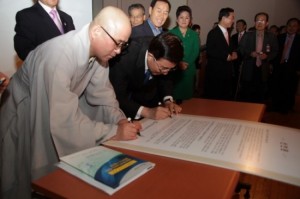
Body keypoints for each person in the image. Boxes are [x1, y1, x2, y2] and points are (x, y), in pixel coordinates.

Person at [0, 6, 139, 199]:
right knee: (25, 176)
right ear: (97, 31)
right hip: (25, 110)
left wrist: (120, 121)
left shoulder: (101, 54)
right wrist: (113, 132)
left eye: (123, 45)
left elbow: (103, 95)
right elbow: (63, 122)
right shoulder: (58, 56)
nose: (118, 51)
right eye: (117, 43)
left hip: (53, 107)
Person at [109, 32, 184, 120]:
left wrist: (167, 100)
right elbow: (117, 95)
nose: (166, 73)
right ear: (150, 57)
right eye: (163, 68)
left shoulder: (164, 55)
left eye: (171, 69)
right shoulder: (124, 57)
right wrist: (146, 112)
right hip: (122, 108)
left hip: (150, 100)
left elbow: (166, 79)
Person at [238, 12, 278, 103]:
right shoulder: (247, 35)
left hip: (263, 69)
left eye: (262, 21)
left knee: (260, 95)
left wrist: (267, 56)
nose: (260, 23)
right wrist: (250, 53)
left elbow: (275, 51)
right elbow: (241, 49)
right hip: (249, 68)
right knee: (246, 94)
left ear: (267, 23)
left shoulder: (272, 37)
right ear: (254, 22)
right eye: (257, 20)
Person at [204, 7, 237, 100]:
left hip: (226, 73)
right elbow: (210, 50)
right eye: (232, 17)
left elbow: (230, 48)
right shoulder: (213, 33)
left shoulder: (227, 33)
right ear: (224, 18)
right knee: (214, 99)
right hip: (216, 73)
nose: (233, 20)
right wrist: (226, 56)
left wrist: (234, 52)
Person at [169, 5, 200, 103]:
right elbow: (169, 51)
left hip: (189, 69)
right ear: (177, 19)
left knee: (188, 99)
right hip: (174, 69)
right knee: (174, 96)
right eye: (181, 17)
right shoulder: (171, 33)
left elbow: (196, 52)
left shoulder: (194, 34)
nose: (184, 20)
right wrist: (179, 63)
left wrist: (186, 63)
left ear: (190, 20)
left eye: (187, 17)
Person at [271, 18, 300, 113]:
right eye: (289, 25)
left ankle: (287, 107)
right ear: (287, 26)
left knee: (289, 88)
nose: (291, 28)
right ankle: (275, 105)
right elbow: (274, 52)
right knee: (276, 86)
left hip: (293, 67)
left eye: (294, 26)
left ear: (298, 27)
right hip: (279, 66)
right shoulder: (280, 37)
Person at [231, 19, 247, 98]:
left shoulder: (248, 36)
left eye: (240, 25)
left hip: (246, 63)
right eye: (237, 25)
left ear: (245, 26)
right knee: (235, 81)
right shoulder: (233, 36)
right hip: (235, 63)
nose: (238, 26)